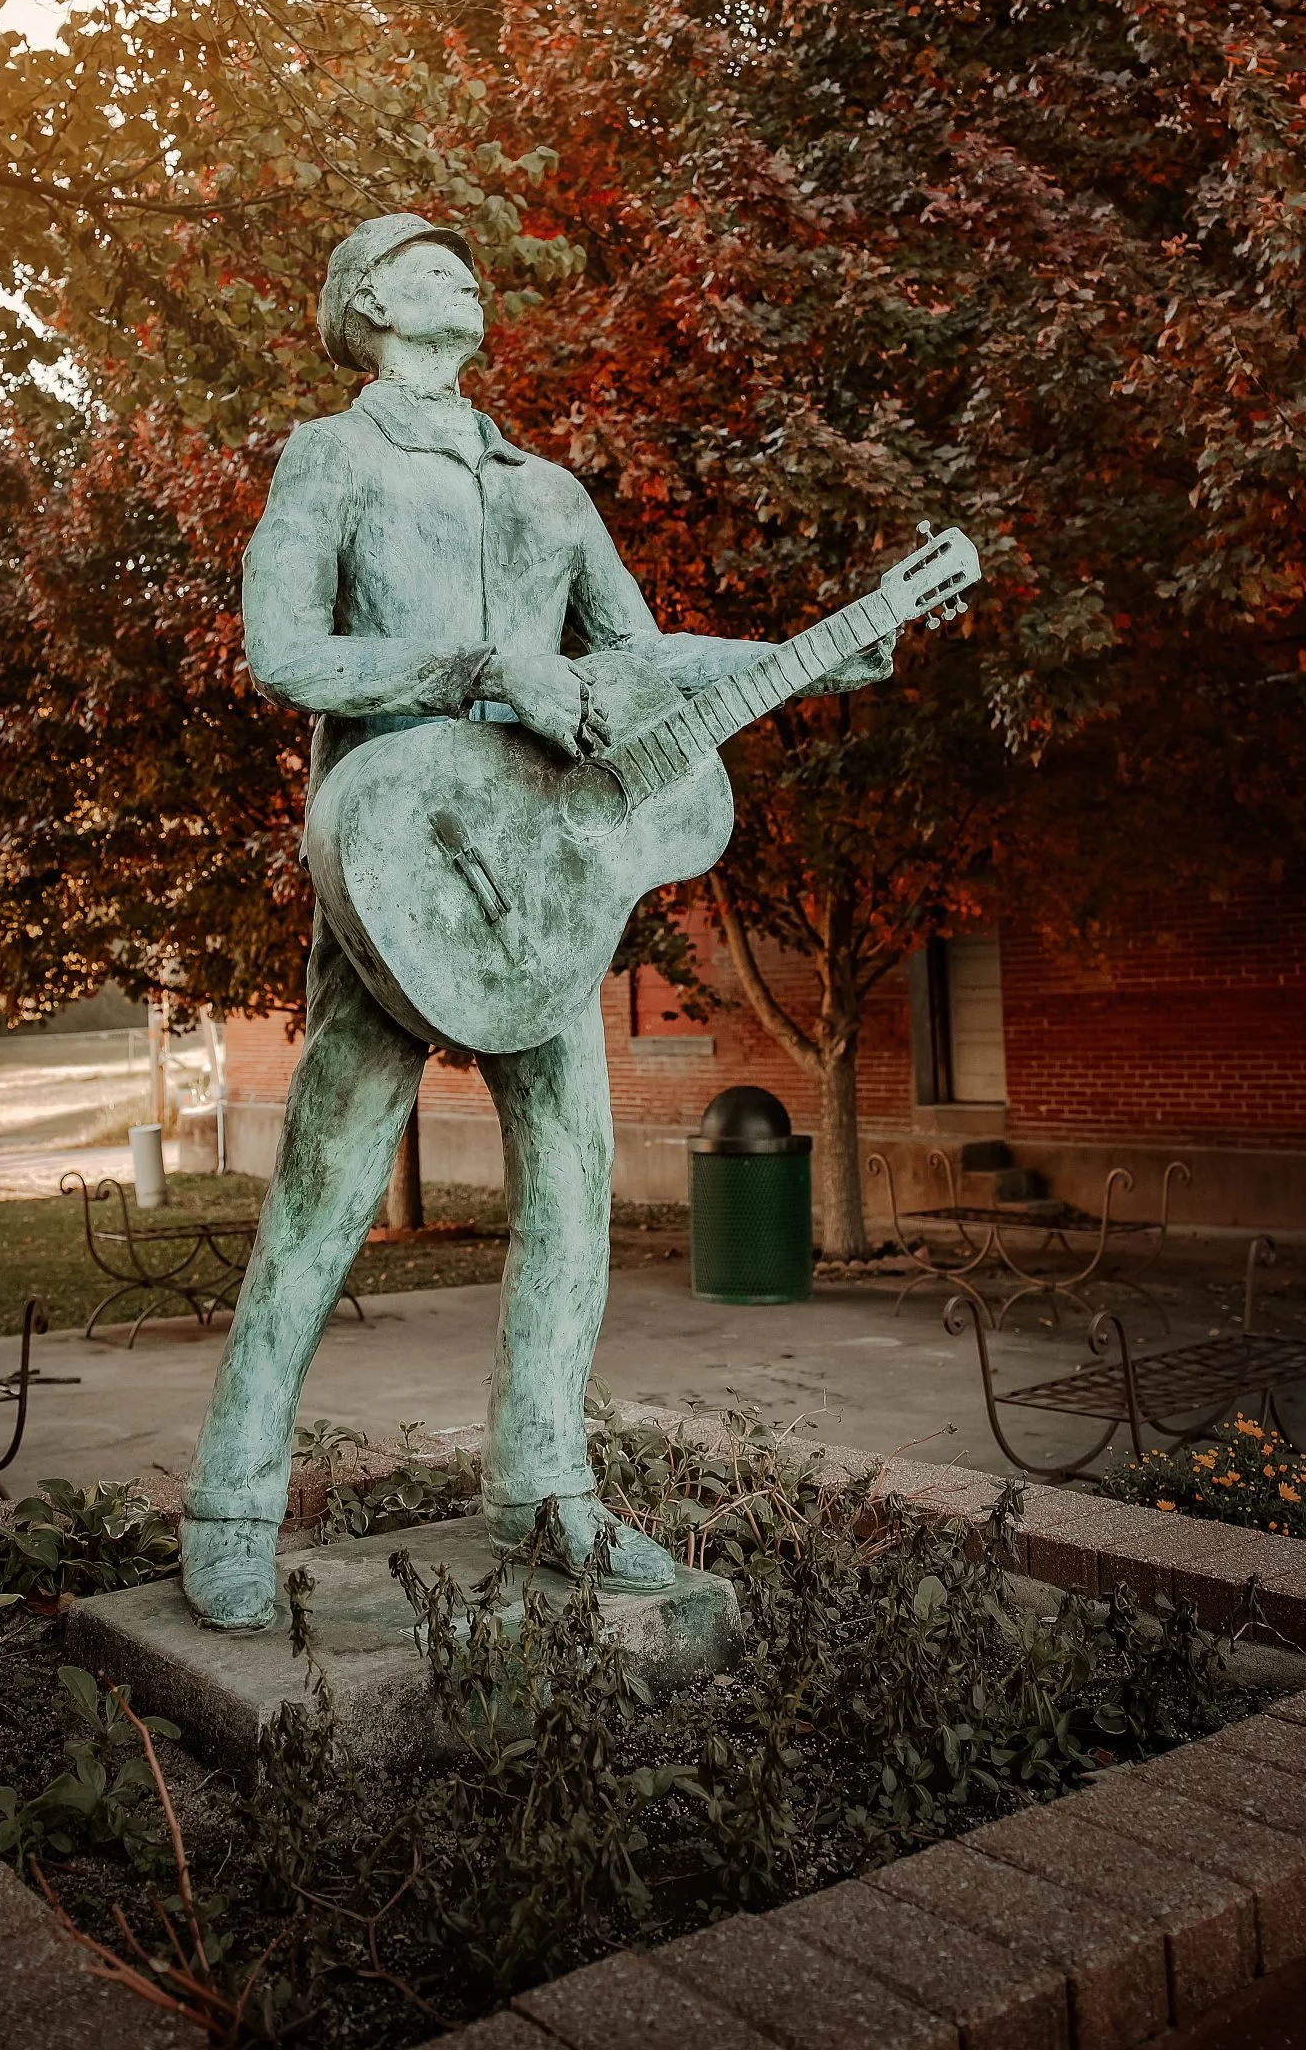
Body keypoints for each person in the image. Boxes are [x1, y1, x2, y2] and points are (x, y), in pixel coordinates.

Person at [182, 213, 895, 1628]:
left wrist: (797, 656)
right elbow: (283, 650)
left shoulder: (553, 492)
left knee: (569, 1200)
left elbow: (631, 670)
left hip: (548, 892)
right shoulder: (332, 459)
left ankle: (545, 1487)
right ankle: (231, 1500)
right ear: (368, 301)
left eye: (465, 260)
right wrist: (469, 663)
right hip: (403, 876)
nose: (460, 270)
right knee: (323, 1197)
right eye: (424, 258)